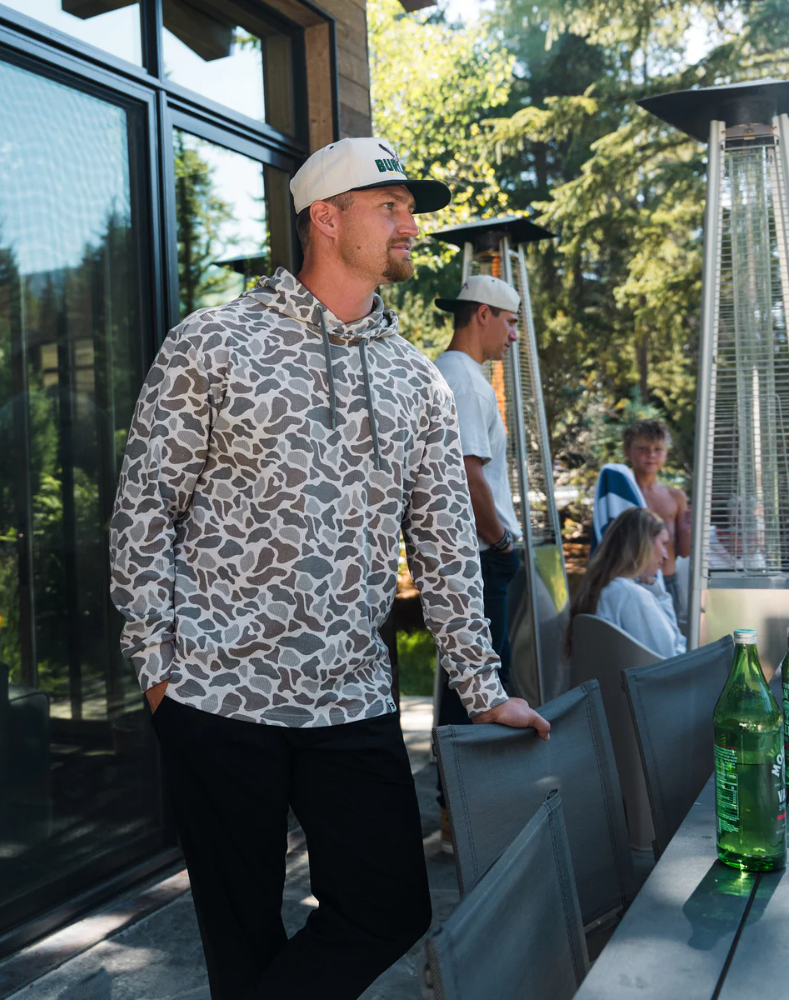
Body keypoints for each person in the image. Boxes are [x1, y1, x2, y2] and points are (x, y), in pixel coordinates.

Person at [109, 136, 550, 1000]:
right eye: (390, 206)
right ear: (326, 216)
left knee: (388, 908)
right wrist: (158, 670)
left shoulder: (416, 380)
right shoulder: (213, 343)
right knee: (240, 940)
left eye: (408, 209)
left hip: (349, 697)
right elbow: (143, 510)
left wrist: (481, 681)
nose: (410, 226)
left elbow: (445, 544)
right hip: (217, 694)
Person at [432, 275, 523, 850]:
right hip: (482, 555)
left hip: (469, 554)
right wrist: (501, 544)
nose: (514, 336)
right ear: (483, 315)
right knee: (485, 685)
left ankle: (456, 813)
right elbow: (468, 476)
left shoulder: (447, 371)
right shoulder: (463, 379)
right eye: (511, 322)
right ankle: (473, 820)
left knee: (462, 682)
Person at [569, 507, 686, 659]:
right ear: (644, 544)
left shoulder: (604, 588)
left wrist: (655, 590)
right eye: (663, 544)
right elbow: (672, 656)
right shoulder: (631, 595)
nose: (665, 555)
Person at [621, 419, 691, 623]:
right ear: (628, 451)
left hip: (668, 582)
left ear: (666, 453)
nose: (651, 454)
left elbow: (683, 552)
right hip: (631, 583)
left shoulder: (675, 497)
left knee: (671, 646)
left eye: (658, 449)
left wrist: (687, 530)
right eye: (643, 448)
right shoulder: (622, 495)